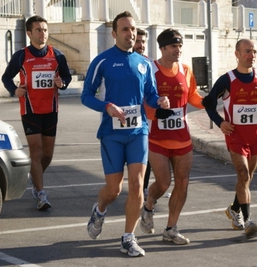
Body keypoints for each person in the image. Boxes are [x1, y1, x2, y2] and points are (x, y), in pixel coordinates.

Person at [81, 11, 170, 257]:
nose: (130, 33)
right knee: (113, 190)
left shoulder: (144, 63)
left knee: (137, 185)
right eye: (125, 29)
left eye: (133, 29)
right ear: (114, 34)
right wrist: (107, 107)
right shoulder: (102, 61)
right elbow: (86, 95)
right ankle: (99, 210)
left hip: (138, 131)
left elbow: (150, 95)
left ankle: (128, 238)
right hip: (112, 133)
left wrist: (159, 99)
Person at [202, 39, 257, 238]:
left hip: (256, 136)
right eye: (247, 51)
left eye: (253, 51)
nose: (251, 55)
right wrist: (220, 122)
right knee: (243, 175)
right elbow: (208, 103)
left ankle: (234, 209)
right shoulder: (227, 79)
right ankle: (248, 220)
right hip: (235, 136)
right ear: (237, 54)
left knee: (247, 178)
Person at [140, 28, 204, 245]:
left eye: (180, 46)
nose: (178, 50)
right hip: (157, 138)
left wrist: (209, 102)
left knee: (183, 183)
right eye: (174, 46)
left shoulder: (185, 70)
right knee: (164, 183)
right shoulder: (151, 70)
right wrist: (157, 111)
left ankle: (171, 228)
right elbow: (143, 101)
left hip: (182, 138)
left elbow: (193, 95)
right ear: (163, 48)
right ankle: (149, 203)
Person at [1, 15, 72, 211]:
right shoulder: (21, 56)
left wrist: (62, 83)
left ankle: (35, 175)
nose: (43, 33)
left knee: (48, 154)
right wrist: (14, 90)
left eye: (45, 30)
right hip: (30, 110)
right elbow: (6, 77)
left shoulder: (57, 55)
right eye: (39, 30)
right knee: (36, 151)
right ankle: (40, 194)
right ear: (29, 33)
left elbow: (66, 77)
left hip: (50, 109)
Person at [133, 28, 152, 200]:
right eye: (138, 41)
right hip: (120, 119)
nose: (141, 45)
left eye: (143, 42)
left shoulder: (148, 63)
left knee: (145, 157)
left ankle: (143, 188)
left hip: (144, 119)